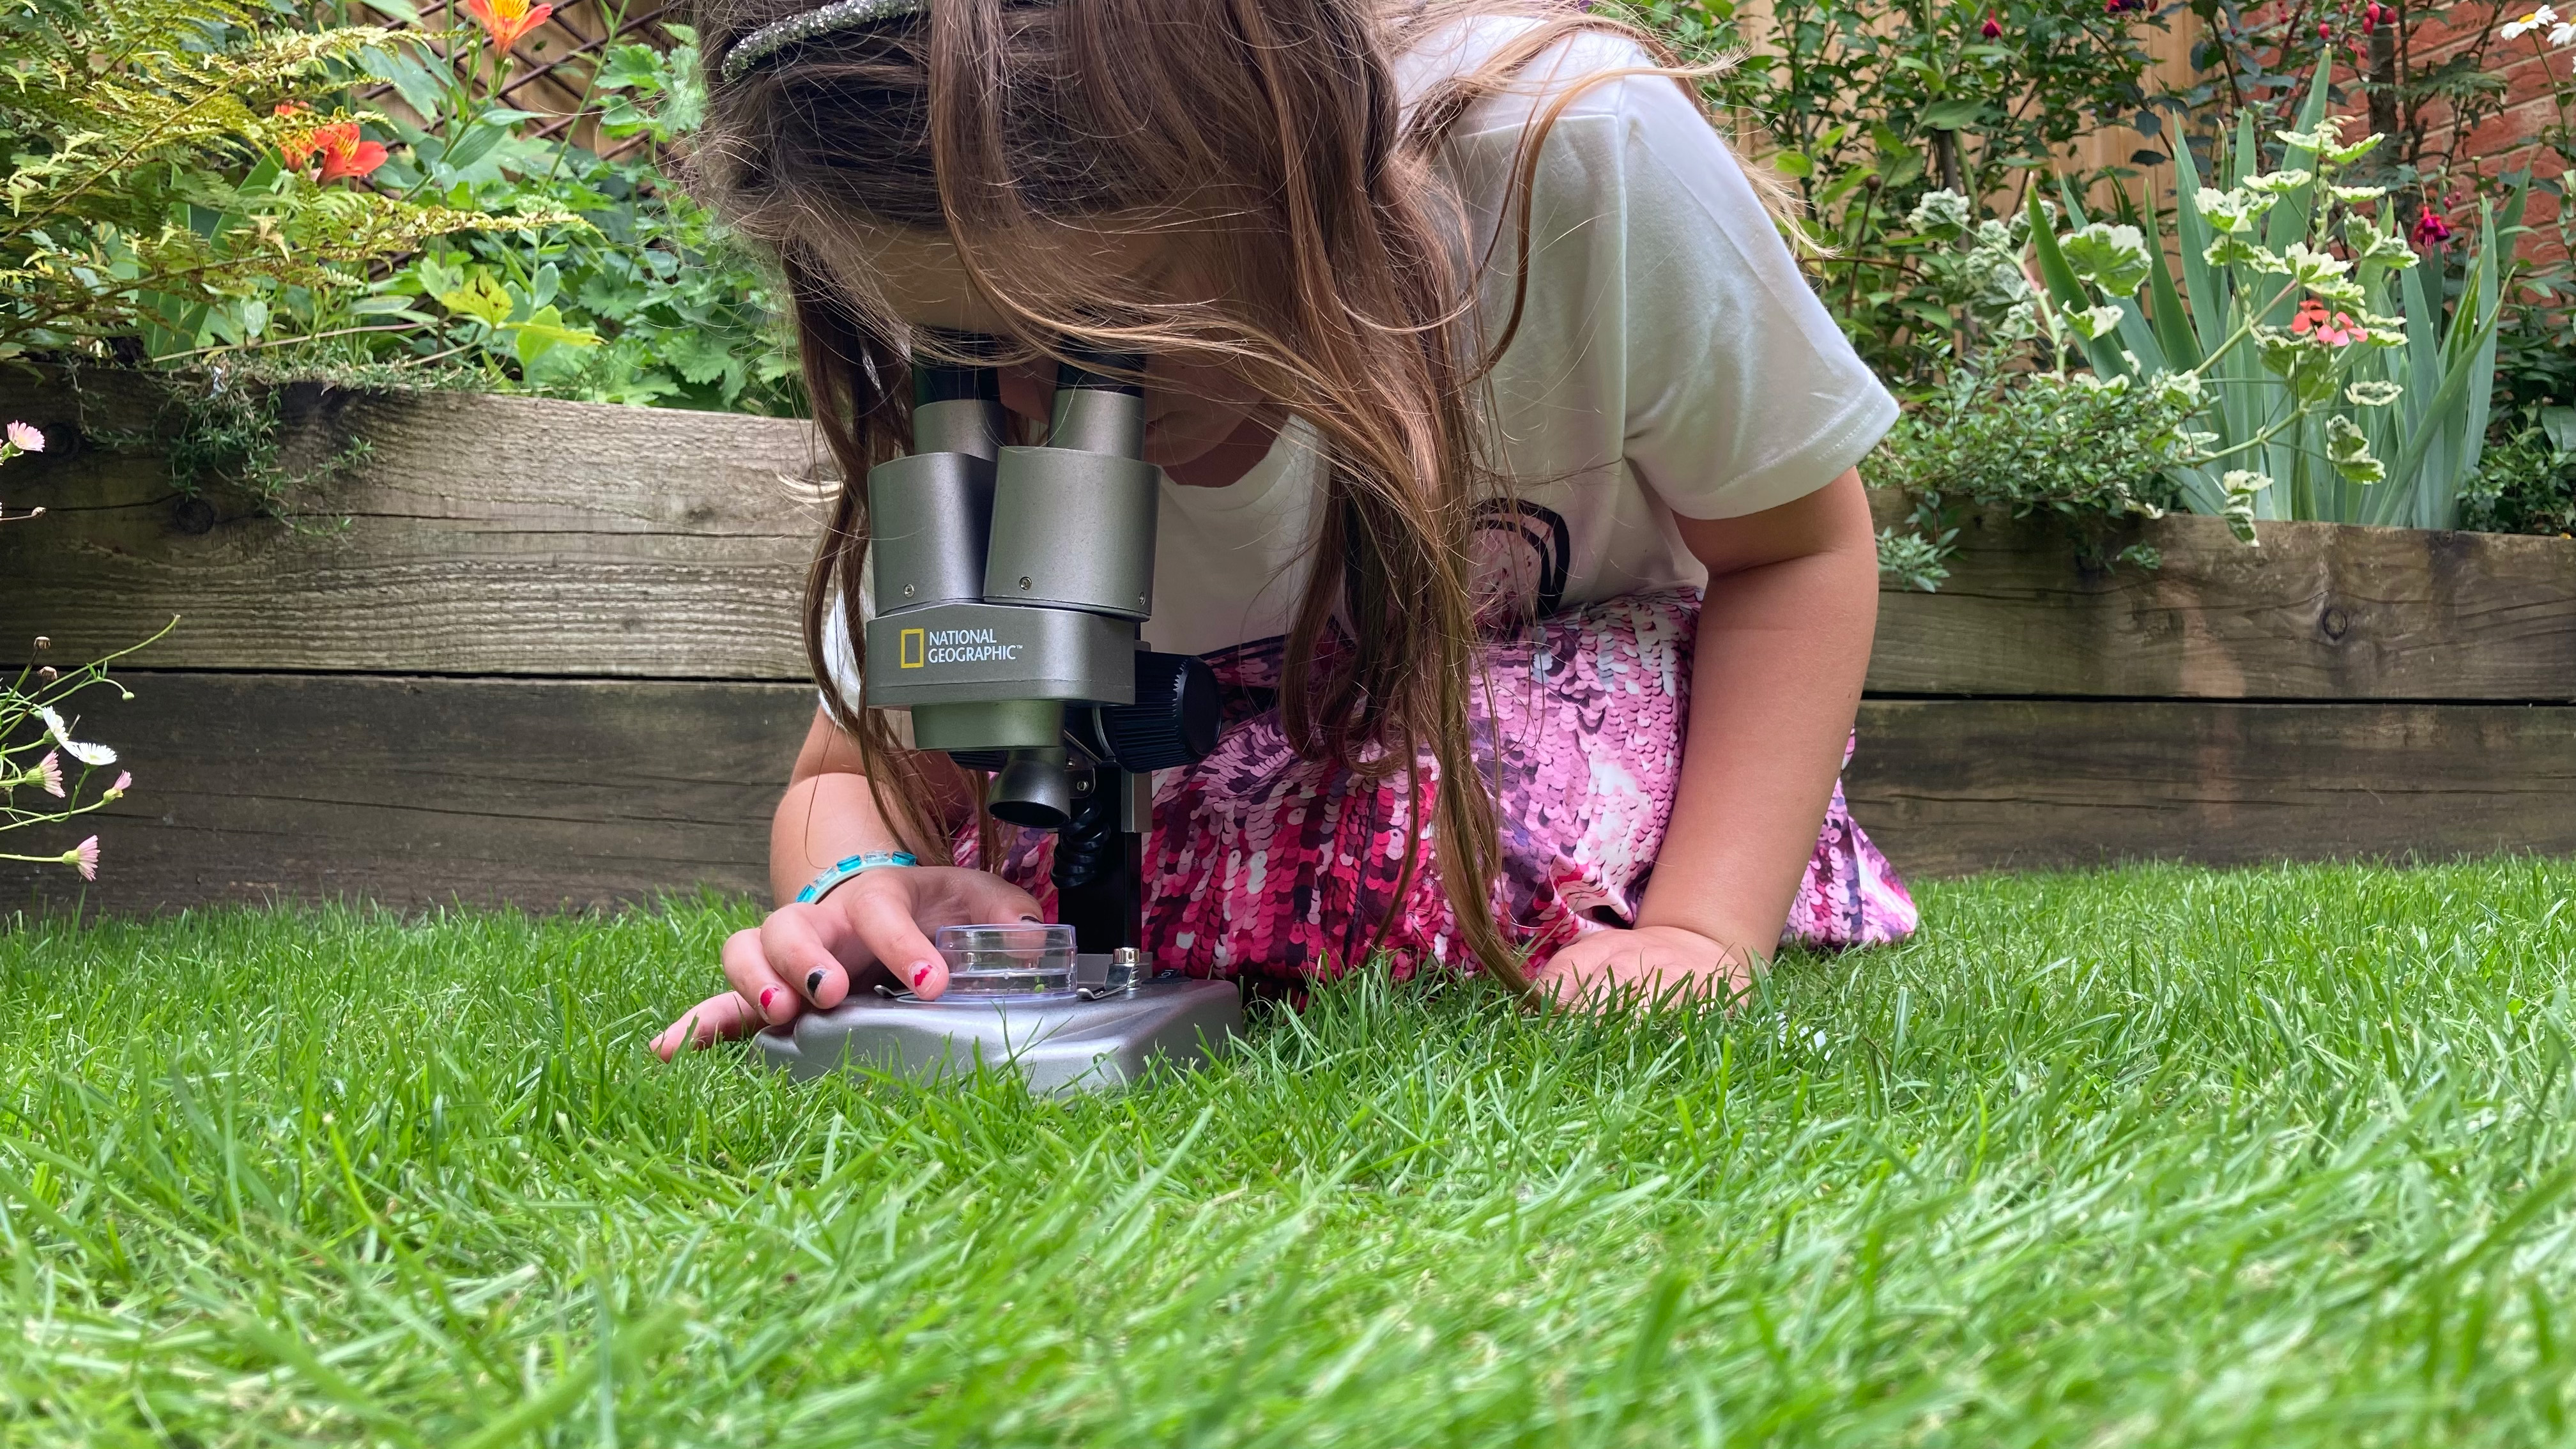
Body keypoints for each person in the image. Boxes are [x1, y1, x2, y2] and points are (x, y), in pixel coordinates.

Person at [652, 0, 1917, 1059]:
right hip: (1151, 821)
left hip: (1552, 789)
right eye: (963, 352)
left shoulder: (1570, 152)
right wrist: (853, 892)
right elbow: (850, 772)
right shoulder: (948, 386)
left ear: (1289, 156)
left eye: (1108, 339)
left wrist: (1702, 933)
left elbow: (1795, 548)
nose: (1037, 412)